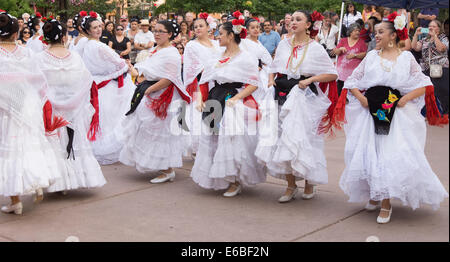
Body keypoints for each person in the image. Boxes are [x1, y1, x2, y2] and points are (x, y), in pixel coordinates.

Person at [335, 17, 449, 224]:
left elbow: (425, 84)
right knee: (370, 152)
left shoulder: (406, 58)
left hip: (395, 114)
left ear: (393, 35)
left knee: (389, 155)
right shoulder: (370, 56)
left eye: (380, 32)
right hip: (370, 112)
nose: (376, 35)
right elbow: (351, 81)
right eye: (375, 32)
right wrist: (361, 98)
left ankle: (386, 203)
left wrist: (405, 98)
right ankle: (375, 194)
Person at [255, 10, 339, 203]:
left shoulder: (315, 48)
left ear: (308, 24)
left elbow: (332, 74)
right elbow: (274, 68)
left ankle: (310, 181)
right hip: (282, 93)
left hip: (304, 95)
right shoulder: (284, 44)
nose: (293, 22)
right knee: (282, 138)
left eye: (298, 19)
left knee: (304, 139)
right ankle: (290, 185)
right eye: (291, 19)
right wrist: (270, 81)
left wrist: (311, 79)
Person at [190, 11, 265, 197]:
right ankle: (219, 177)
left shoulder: (246, 57)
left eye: (221, 34)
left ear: (231, 35)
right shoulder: (216, 55)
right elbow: (204, 80)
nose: (217, 37)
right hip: (216, 97)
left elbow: (254, 83)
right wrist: (200, 99)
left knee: (232, 140)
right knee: (213, 137)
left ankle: (235, 180)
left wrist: (236, 99)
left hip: (233, 99)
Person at [0, 11, 65, 215]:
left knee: (10, 150)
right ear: (14, 33)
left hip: (6, 106)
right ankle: (35, 181)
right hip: (27, 103)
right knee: (29, 145)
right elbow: (40, 81)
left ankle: (15, 200)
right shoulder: (26, 52)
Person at [36, 18, 106, 194]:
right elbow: (86, 81)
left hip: (51, 110)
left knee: (55, 144)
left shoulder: (39, 59)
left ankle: (59, 182)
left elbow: (35, 85)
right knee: (74, 142)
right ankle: (72, 179)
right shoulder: (74, 57)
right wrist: (75, 100)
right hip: (73, 108)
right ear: (65, 36)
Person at [121, 20, 190, 184]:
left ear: (170, 34)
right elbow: (146, 70)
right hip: (150, 92)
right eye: (155, 30)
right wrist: (134, 71)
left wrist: (149, 90)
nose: (157, 34)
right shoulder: (155, 50)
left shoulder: (172, 53)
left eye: (161, 31)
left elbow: (169, 78)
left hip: (163, 96)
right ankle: (159, 165)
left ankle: (167, 169)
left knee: (160, 131)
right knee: (146, 128)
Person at [80, 12, 135, 165]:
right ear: (88, 30)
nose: (98, 30)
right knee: (113, 118)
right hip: (107, 86)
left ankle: (101, 145)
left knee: (105, 118)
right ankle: (110, 147)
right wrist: (127, 65)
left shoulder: (86, 44)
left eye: (99, 26)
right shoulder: (97, 46)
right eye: (94, 27)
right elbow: (118, 63)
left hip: (97, 85)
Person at [183, 13, 221, 155]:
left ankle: (214, 147)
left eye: (201, 26)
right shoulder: (191, 45)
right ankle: (199, 149)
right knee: (199, 114)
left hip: (217, 83)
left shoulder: (217, 44)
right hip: (201, 83)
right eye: (195, 27)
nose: (198, 28)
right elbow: (193, 67)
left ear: (208, 28)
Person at [412, 19, 449, 114]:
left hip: (440, 67)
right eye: (429, 26)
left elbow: (441, 48)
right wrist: (416, 34)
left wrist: (435, 36)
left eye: (433, 26)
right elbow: (415, 47)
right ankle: (430, 112)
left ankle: (443, 112)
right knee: (428, 91)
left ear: (438, 29)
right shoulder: (425, 39)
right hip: (427, 68)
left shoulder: (443, 37)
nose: (431, 28)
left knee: (441, 91)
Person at [334, 23, 367, 95]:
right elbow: (336, 52)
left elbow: (365, 54)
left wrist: (355, 55)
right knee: (339, 92)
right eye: (355, 31)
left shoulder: (361, 42)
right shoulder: (343, 40)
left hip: (353, 74)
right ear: (350, 32)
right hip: (341, 72)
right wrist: (340, 49)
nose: (358, 32)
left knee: (350, 95)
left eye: (358, 31)